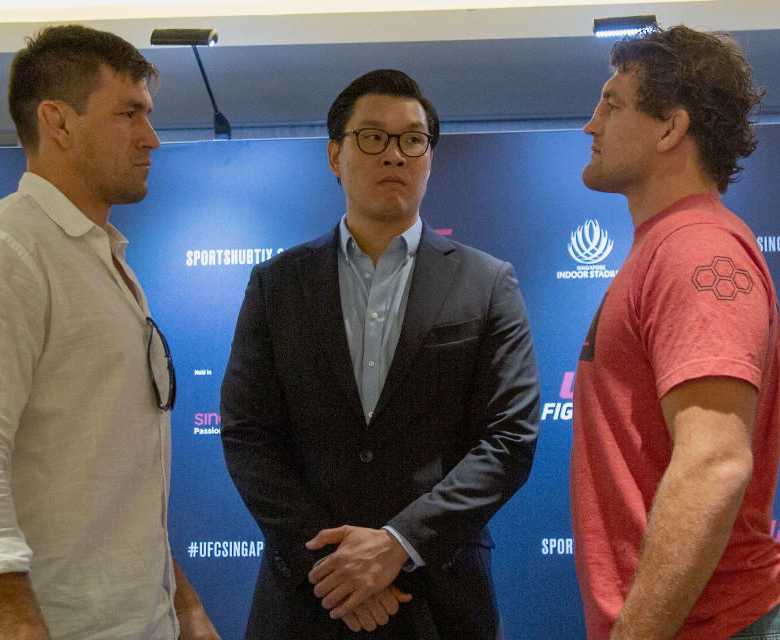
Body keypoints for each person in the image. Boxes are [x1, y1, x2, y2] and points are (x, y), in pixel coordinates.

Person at [0, 25, 219, 640]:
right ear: (57, 121)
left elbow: (117, 492)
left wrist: (181, 603)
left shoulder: (100, 258)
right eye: (129, 114)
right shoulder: (1, 252)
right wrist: (17, 626)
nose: (152, 137)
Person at [219, 68, 540, 639]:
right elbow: (249, 434)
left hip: (438, 598)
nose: (395, 155)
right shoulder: (277, 284)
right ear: (334, 156)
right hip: (306, 599)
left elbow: (510, 438)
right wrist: (332, 568)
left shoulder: (486, 283)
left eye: (412, 140)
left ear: (429, 159)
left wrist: (398, 544)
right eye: (372, 136)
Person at [570, 25, 780, 640]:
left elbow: (714, 463)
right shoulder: (670, 246)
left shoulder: (696, 251)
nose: (590, 125)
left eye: (612, 105)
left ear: (670, 129)